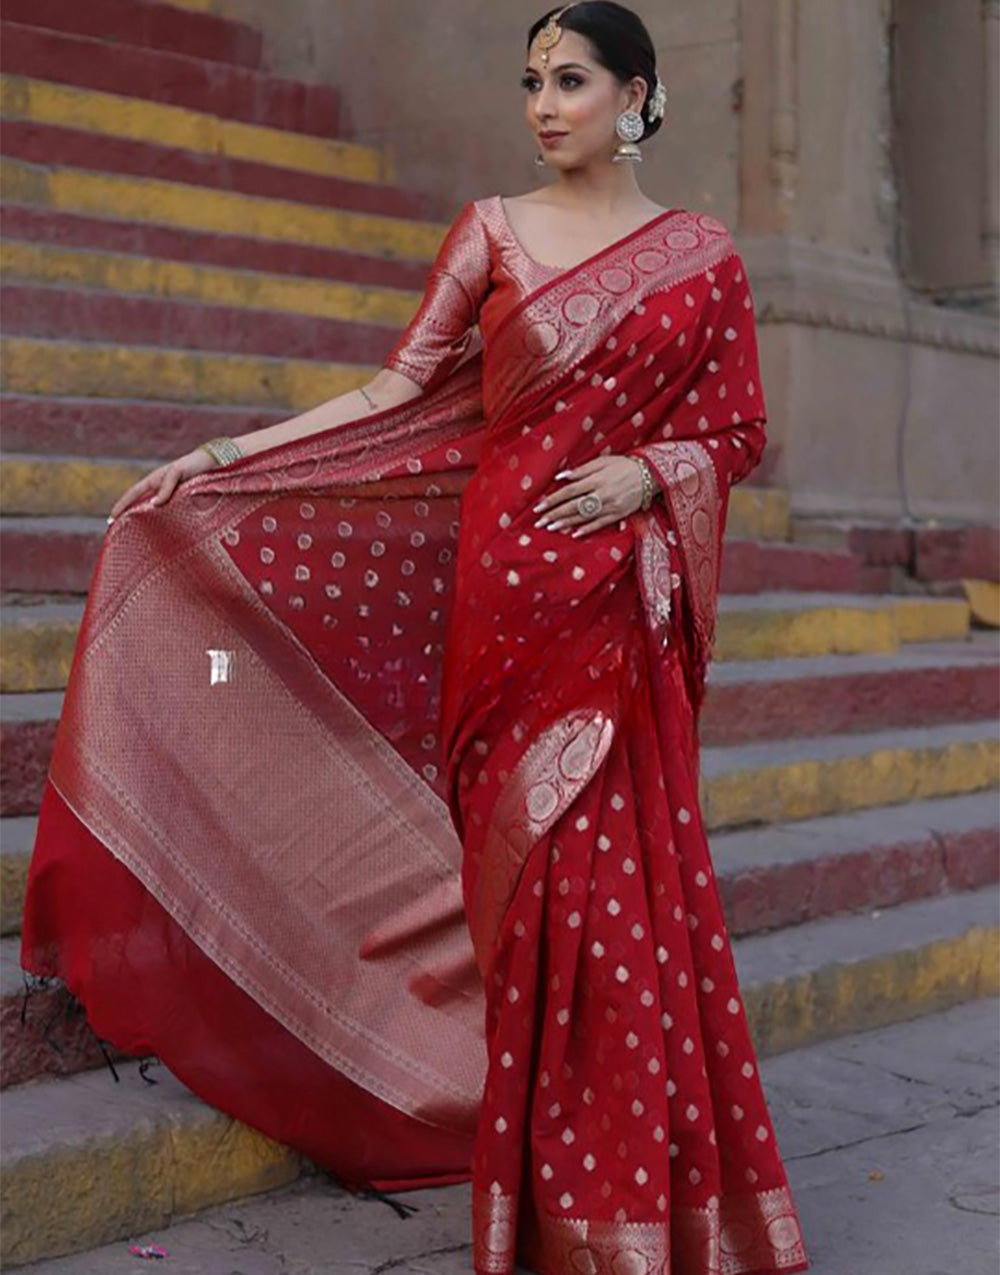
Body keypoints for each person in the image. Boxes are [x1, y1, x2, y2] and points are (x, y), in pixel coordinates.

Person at [21, 4, 812, 1272]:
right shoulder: (490, 232)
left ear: (637, 97)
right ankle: (555, 1190)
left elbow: (736, 430)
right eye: (529, 81)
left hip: (613, 604)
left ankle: (617, 1215)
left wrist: (652, 475)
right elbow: (396, 391)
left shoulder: (701, 254)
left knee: (609, 898)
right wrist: (220, 457)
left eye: (570, 80)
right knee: (523, 897)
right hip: (500, 601)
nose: (544, 104)